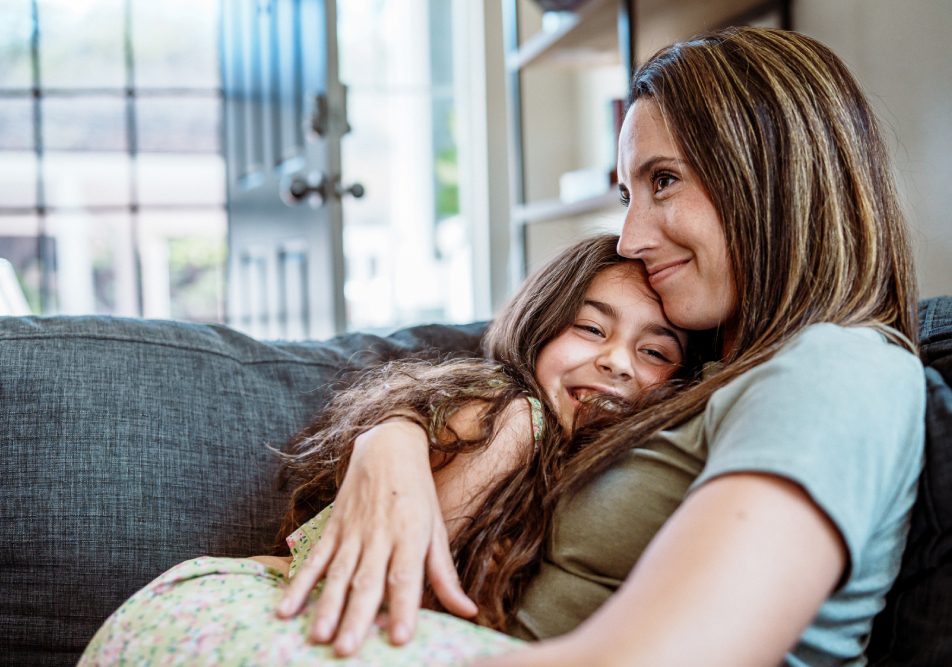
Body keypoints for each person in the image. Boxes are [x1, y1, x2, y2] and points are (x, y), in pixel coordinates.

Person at [279, 26, 926, 666]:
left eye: (664, 180)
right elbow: (513, 364)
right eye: (627, 195)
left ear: (775, 177)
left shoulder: (835, 370)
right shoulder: (712, 367)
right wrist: (392, 436)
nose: (630, 238)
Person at [78, 234, 694, 665]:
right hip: (235, 616)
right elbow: (419, 597)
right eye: (591, 328)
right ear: (539, 325)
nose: (617, 361)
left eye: (655, 352)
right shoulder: (513, 417)